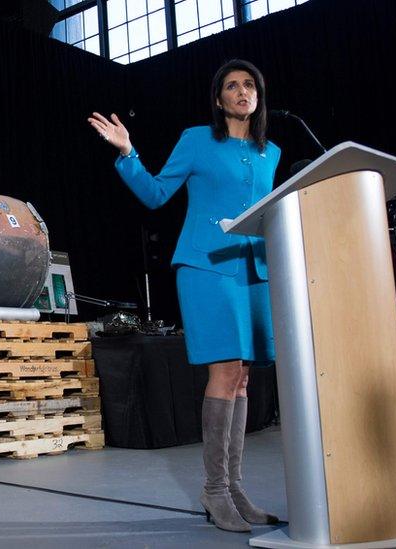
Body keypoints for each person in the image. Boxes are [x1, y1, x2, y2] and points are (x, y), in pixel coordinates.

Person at [87, 59, 281, 533]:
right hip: (206, 266)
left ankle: (235, 488)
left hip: (254, 270)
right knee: (225, 371)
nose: (241, 92)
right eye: (231, 86)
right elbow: (156, 195)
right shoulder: (197, 140)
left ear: (258, 97)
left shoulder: (269, 152)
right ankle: (214, 490)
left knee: (243, 380)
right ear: (219, 100)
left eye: (249, 85)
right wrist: (128, 153)